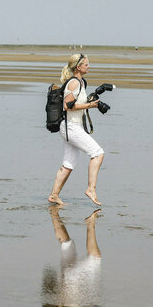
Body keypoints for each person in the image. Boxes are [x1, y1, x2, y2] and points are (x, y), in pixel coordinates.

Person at [48, 54, 105, 206]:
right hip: (71, 127)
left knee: (68, 164)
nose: (89, 66)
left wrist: (91, 101)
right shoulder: (73, 83)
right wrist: (89, 106)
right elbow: (68, 106)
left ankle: (54, 195)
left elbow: (76, 103)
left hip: (73, 126)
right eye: (86, 64)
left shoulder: (81, 82)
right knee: (98, 153)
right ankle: (91, 189)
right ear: (78, 67)